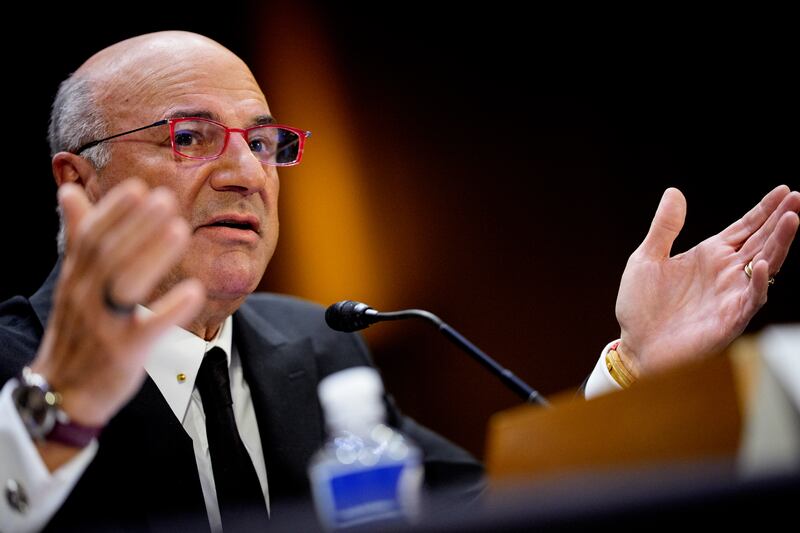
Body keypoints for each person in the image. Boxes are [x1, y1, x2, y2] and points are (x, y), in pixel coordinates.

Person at [0, 30, 797, 532]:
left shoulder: (318, 346)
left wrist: (635, 366)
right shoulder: (16, 369)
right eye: (191, 136)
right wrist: (56, 408)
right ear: (82, 183)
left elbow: (495, 509)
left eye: (266, 141)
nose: (247, 173)